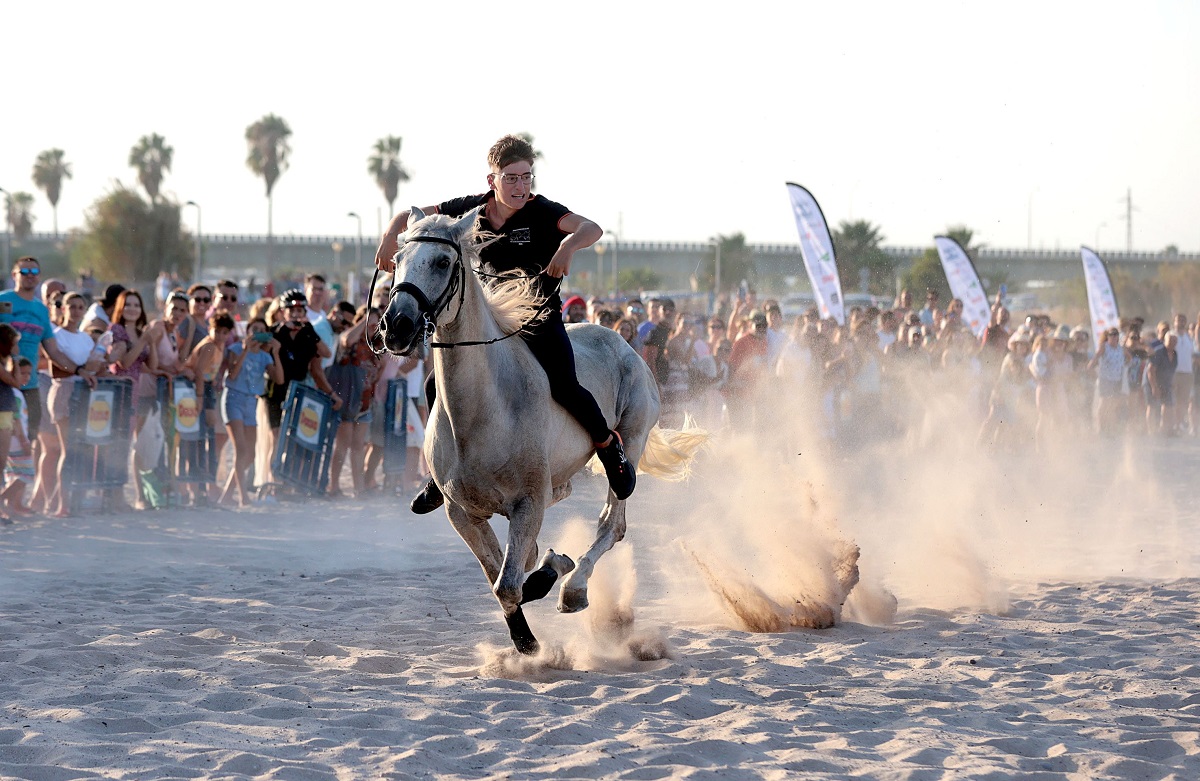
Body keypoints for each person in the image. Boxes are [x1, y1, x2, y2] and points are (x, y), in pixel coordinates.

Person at [373, 133, 633, 514]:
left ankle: (610, 450)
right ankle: (438, 474)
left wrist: (566, 246)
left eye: (526, 176)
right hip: (491, 321)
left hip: (538, 319)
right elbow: (407, 216)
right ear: (491, 180)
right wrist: (387, 241)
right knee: (435, 385)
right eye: (510, 177)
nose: (520, 186)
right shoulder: (471, 210)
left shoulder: (543, 211)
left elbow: (591, 228)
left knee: (564, 384)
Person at [0, 258, 89, 513]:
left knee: (28, 442)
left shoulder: (40, 310)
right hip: (4, 383)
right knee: (5, 442)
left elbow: (53, 351)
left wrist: (79, 369)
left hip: (31, 385)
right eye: (24, 271)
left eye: (34, 271)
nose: (30, 275)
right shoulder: (3, 299)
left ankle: (15, 500)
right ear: (14, 274)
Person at [46, 293, 103, 517]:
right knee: (68, 449)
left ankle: (77, 498)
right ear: (63, 309)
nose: (77, 310)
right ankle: (63, 503)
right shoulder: (56, 336)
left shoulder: (86, 338)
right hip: (65, 392)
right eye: (72, 306)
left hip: (85, 394)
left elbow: (94, 366)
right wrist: (82, 369)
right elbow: (55, 367)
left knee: (83, 449)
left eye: (81, 307)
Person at [220, 318, 283, 507]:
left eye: (262, 330)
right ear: (247, 330)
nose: (257, 332)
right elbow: (232, 374)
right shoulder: (236, 349)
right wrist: (246, 349)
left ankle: (227, 495)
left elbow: (279, 379)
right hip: (234, 398)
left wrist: (276, 352)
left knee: (249, 455)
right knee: (241, 450)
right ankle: (243, 498)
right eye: (254, 329)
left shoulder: (265, 357)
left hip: (251, 402)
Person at [2, 358, 35, 517]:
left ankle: (14, 504)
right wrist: (23, 440)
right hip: (16, 441)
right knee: (27, 474)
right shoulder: (13, 393)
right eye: (22, 373)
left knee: (13, 473)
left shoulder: (14, 392)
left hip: (11, 441)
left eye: (29, 373)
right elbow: (15, 418)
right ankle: (2, 498)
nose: (26, 377)